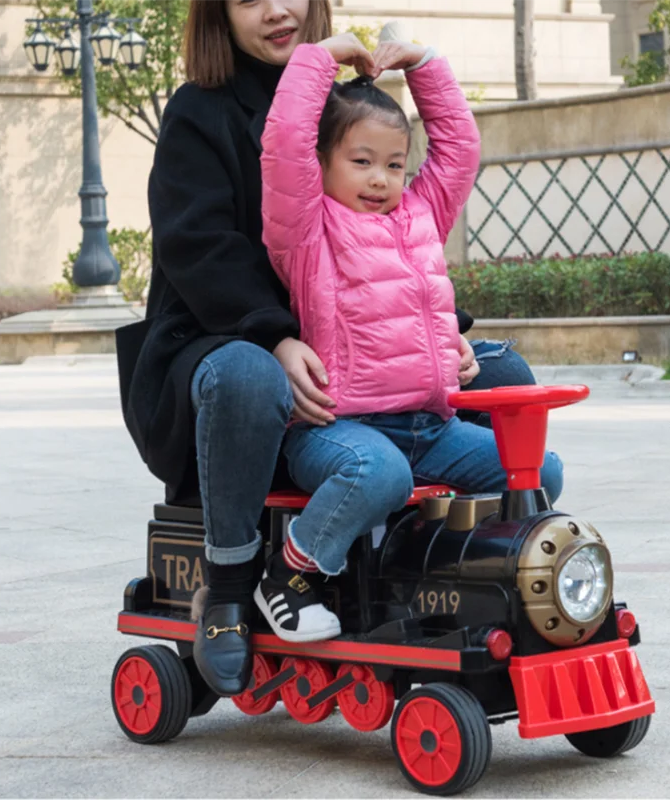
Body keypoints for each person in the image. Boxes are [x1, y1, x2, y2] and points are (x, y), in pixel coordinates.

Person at [114, 0, 561, 698]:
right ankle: (231, 589)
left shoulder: (352, 109)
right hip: (220, 332)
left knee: (506, 373)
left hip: (350, 352)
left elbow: (405, 240)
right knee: (252, 374)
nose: (277, 10)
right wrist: (274, 334)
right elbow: (201, 247)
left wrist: (445, 339)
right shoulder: (204, 113)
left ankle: (460, 565)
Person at [253, 36, 563, 643]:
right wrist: (322, 57)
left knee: (538, 470)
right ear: (322, 163)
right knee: (380, 475)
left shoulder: (420, 216)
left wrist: (424, 66)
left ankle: (445, 572)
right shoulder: (308, 230)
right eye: (361, 161)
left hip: (430, 428)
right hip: (339, 429)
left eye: (394, 165)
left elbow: (458, 151)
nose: (380, 179)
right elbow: (284, 144)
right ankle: (287, 576)